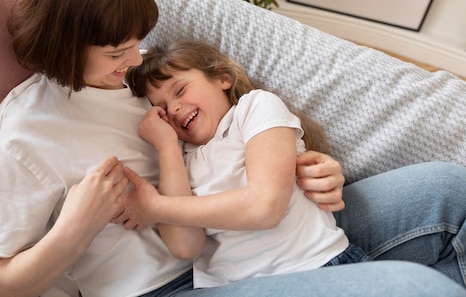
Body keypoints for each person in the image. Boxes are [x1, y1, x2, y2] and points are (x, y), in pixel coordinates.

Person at [0, 0, 466, 297]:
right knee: (417, 289)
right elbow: (3, 284)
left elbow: (242, 146)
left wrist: (315, 165)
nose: (133, 60)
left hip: (263, 234)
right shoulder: (25, 134)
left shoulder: (150, 75)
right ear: (64, 45)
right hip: (175, 286)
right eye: (116, 52)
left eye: (135, 43)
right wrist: (75, 228)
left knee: (451, 189)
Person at [123, 40, 371, 287]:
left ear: (222, 78)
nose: (174, 109)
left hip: (314, 265)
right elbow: (184, 245)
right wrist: (166, 147)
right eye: (162, 108)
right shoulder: (180, 156)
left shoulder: (253, 108)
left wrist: (156, 208)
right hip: (238, 288)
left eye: (180, 91)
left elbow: (265, 207)